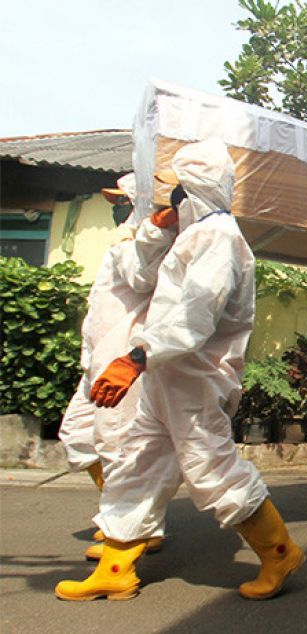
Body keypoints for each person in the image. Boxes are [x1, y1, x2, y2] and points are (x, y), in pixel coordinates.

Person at [56, 138, 304, 602]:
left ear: (194, 189)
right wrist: (155, 228)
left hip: (194, 379)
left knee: (212, 468)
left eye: (174, 189)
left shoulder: (220, 238)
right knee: (136, 462)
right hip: (165, 376)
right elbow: (149, 286)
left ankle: (280, 552)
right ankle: (115, 568)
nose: (167, 198)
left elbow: (195, 316)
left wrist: (134, 359)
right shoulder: (194, 235)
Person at [57, 174, 180, 560]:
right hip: (98, 361)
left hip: (124, 362)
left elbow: (142, 278)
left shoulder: (149, 242)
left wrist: (155, 231)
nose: (116, 208)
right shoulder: (125, 240)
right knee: (77, 434)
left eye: (122, 201)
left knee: (118, 445)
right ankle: (127, 520)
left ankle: (136, 532)